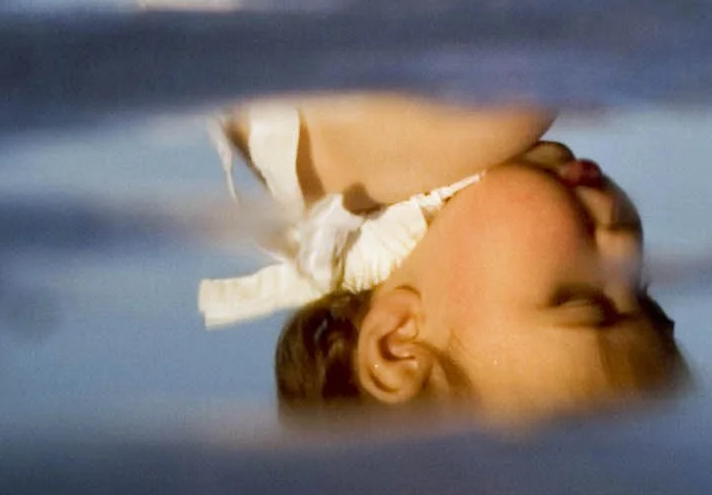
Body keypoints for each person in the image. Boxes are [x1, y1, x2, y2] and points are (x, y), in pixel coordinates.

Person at [197, 95, 682, 421]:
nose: (624, 245)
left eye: (581, 299)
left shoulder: (498, 112)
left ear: (398, 342)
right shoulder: (336, 191)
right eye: (644, 296)